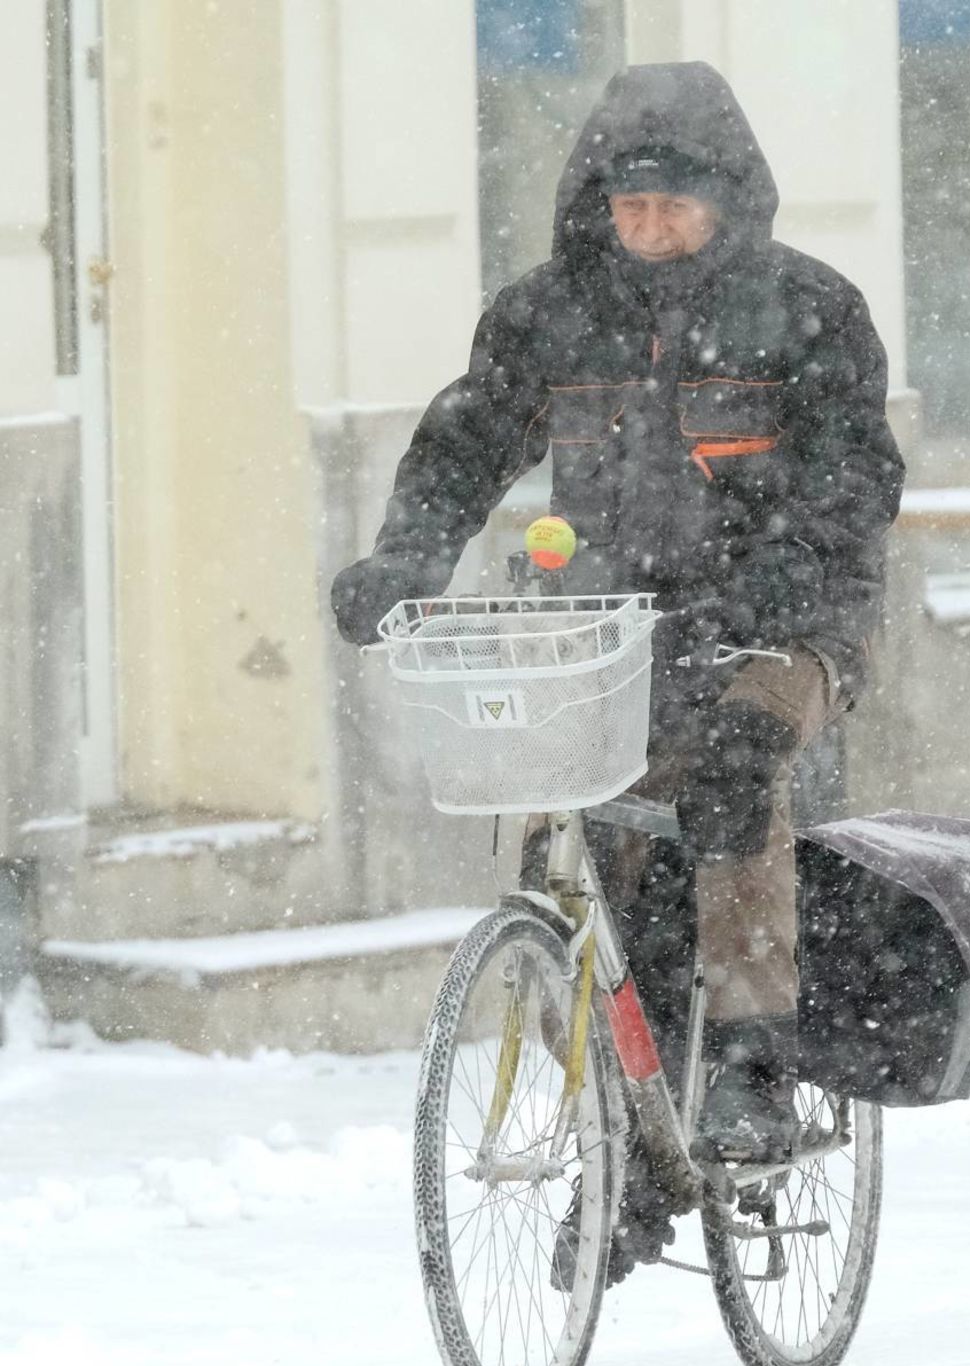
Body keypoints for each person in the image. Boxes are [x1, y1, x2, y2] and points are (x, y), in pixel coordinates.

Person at [332, 62, 905, 1228]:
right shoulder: (550, 313)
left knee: (739, 766)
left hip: (787, 622)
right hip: (614, 624)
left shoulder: (810, 310)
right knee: (590, 839)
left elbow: (857, 478)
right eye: (628, 207)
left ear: (728, 203)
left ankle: (750, 1059)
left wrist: (785, 575)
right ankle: (625, 1113)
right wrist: (405, 561)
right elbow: (461, 448)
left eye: (672, 207)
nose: (646, 229)